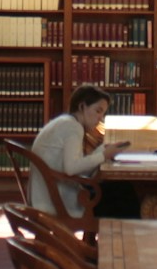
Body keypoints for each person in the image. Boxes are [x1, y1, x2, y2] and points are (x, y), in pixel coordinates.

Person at [28, 86, 126, 216]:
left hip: (45, 195)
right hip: (58, 200)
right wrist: (103, 155)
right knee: (124, 192)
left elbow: (74, 167)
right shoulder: (73, 128)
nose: (100, 118)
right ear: (82, 107)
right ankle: (129, 235)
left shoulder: (64, 121)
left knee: (119, 190)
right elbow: (71, 169)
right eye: (98, 111)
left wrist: (102, 150)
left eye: (103, 113)